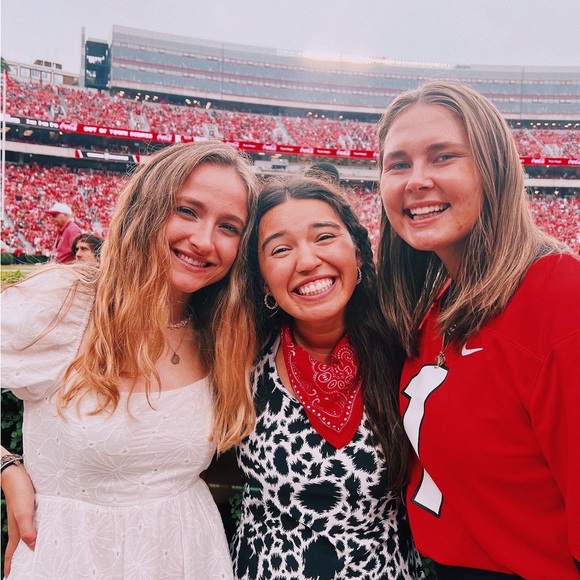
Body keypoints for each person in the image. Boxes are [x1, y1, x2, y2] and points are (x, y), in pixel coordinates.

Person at [1, 140, 260, 579]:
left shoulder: (222, 330)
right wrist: (6, 468)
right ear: (146, 209)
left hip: (189, 555)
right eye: (187, 211)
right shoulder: (64, 303)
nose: (204, 241)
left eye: (229, 227)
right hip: (71, 559)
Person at [376, 79, 580, 578]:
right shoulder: (440, 300)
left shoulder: (561, 298)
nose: (415, 181)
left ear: (494, 168)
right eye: (397, 164)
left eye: (443, 156)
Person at [230, 174, 424, 579]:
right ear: (262, 278)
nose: (306, 261)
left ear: (358, 252)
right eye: (281, 249)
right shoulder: (237, 354)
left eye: (324, 237)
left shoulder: (408, 349)